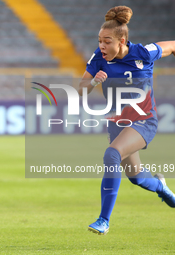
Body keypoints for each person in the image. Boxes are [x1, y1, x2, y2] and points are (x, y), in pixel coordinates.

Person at [78, 6, 175, 235]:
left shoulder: (143, 52)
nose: (102, 46)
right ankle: (161, 186)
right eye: (100, 40)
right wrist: (92, 83)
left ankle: (103, 220)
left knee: (111, 154)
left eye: (107, 41)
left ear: (122, 41)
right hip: (117, 124)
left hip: (144, 121)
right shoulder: (98, 58)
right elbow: (80, 91)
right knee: (136, 177)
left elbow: (171, 46)